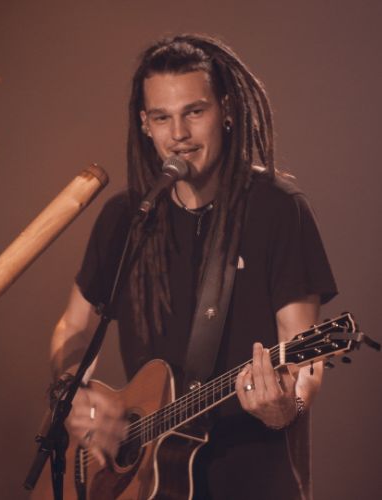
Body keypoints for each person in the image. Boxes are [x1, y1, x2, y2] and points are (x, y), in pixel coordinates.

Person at [48, 34, 337, 499]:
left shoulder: (278, 209)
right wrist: (75, 392)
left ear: (226, 110)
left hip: (251, 482)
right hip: (142, 486)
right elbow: (74, 327)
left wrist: (289, 405)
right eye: (162, 117)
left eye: (194, 112)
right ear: (145, 124)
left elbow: (305, 357)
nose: (178, 134)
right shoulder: (126, 218)